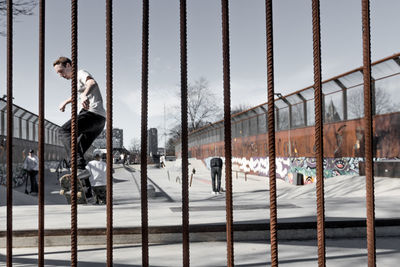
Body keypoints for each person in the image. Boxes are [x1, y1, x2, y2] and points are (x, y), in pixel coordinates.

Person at [53, 57, 106, 177]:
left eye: (61, 71)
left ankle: (79, 168)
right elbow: (76, 95)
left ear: (68, 65)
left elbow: (92, 82)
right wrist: (65, 102)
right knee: (77, 151)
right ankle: (85, 189)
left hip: (92, 114)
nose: (60, 75)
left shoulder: (80, 73)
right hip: (99, 121)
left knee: (63, 131)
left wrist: (85, 96)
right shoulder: (76, 82)